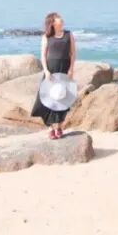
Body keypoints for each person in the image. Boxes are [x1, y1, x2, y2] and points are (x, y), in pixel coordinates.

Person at [31, 11, 76, 139]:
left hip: (64, 68)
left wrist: (71, 69)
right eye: (58, 18)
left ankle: (60, 127)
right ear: (53, 22)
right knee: (48, 99)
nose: (61, 20)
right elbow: (43, 55)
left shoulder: (69, 34)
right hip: (51, 69)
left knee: (63, 98)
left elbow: (72, 54)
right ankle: (51, 128)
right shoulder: (46, 36)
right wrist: (46, 70)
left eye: (61, 18)